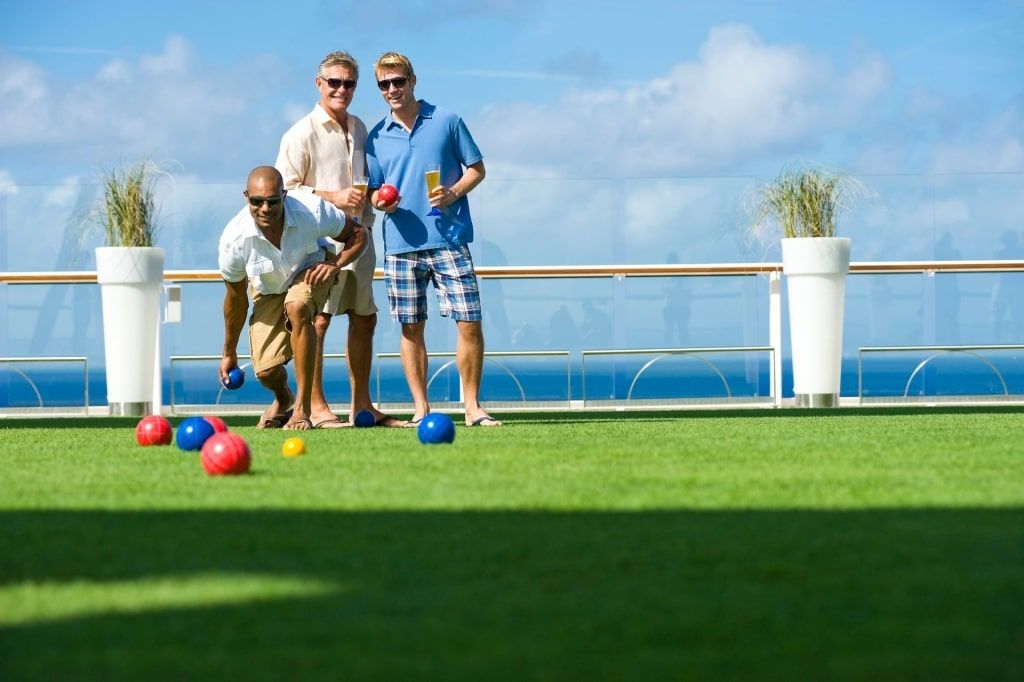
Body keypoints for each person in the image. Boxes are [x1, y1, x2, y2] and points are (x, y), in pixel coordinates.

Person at [365, 51, 501, 427]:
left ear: (413, 80)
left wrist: (454, 192)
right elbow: (374, 193)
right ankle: (421, 408)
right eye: (384, 84)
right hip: (401, 247)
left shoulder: (447, 120)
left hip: (450, 239)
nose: (392, 89)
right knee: (410, 327)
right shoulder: (376, 137)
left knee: (469, 321)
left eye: (398, 81)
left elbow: (477, 169)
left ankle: (472, 407)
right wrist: (381, 202)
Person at [275, 51, 404, 428]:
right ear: (319, 84)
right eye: (334, 82)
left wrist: (378, 199)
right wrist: (333, 196)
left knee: (364, 319)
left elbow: (369, 182)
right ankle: (316, 407)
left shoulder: (361, 127)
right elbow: (284, 191)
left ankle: (362, 407)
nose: (341, 89)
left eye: (348, 83)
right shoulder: (299, 133)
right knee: (318, 321)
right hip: (320, 243)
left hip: (360, 238)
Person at [218, 166, 366, 430]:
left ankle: (302, 409)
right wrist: (229, 352)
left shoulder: (313, 211)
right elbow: (236, 300)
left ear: (284, 195)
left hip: (311, 271)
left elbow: (358, 234)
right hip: (269, 289)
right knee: (266, 372)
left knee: (297, 307)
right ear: (246, 197)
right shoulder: (234, 240)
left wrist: (336, 264)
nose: (265, 208)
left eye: (272, 200)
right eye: (257, 201)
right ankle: (283, 398)